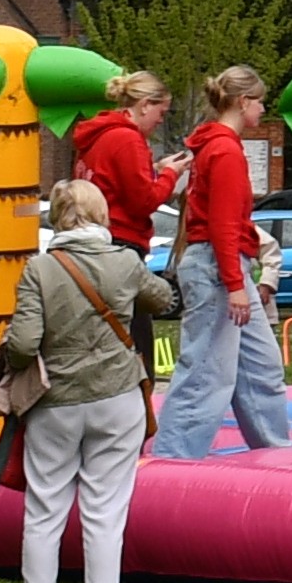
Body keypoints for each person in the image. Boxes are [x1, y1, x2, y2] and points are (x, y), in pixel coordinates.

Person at [2, 178, 158, 583]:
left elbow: (25, 342)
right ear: (102, 214)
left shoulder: (40, 270)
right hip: (117, 397)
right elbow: (165, 298)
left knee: (45, 506)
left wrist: (13, 359)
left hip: (56, 401)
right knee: (106, 509)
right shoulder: (125, 262)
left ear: (57, 216)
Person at [150, 69, 288, 460]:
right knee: (206, 372)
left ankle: (277, 453)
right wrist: (234, 286)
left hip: (223, 264)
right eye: (260, 101)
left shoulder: (215, 146)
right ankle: (174, 459)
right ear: (243, 103)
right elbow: (224, 226)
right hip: (218, 266)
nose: (263, 109)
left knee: (261, 368)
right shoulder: (225, 151)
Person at [71, 66, 181, 372]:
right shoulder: (127, 140)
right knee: (135, 336)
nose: (161, 119)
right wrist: (171, 175)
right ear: (145, 105)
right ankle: (137, 404)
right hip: (121, 245)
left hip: (93, 244)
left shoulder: (98, 137)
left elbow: (115, 183)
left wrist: (155, 169)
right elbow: (143, 200)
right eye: (162, 110)